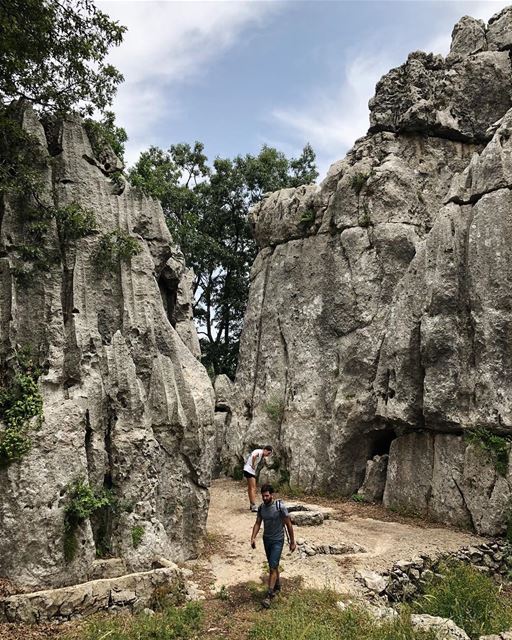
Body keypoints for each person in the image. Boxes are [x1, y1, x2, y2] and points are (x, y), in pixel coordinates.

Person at [250, 483, 296, 608]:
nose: (264, 498)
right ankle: (277, 585)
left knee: (272, 567)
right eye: (263, 496)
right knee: (273, 564)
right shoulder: (261, 508)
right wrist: (253, 537)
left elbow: (288, 524)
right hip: (267, 540)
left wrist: (292, 542)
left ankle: (269, 595)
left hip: (278, 540)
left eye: (266, 496)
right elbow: (258, 523)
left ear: (272, 495)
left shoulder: (280, 507)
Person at [243, 445, 273, 512]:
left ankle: (251, 504)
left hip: (247, 469)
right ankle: (253, 505)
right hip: (249, 470)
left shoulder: (258, 451)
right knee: (253, 487)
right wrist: (253, 465)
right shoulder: (260, 452)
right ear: (265, 450)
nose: (267, 455)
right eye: (268, 453)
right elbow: (254, 456)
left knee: (250, 487)